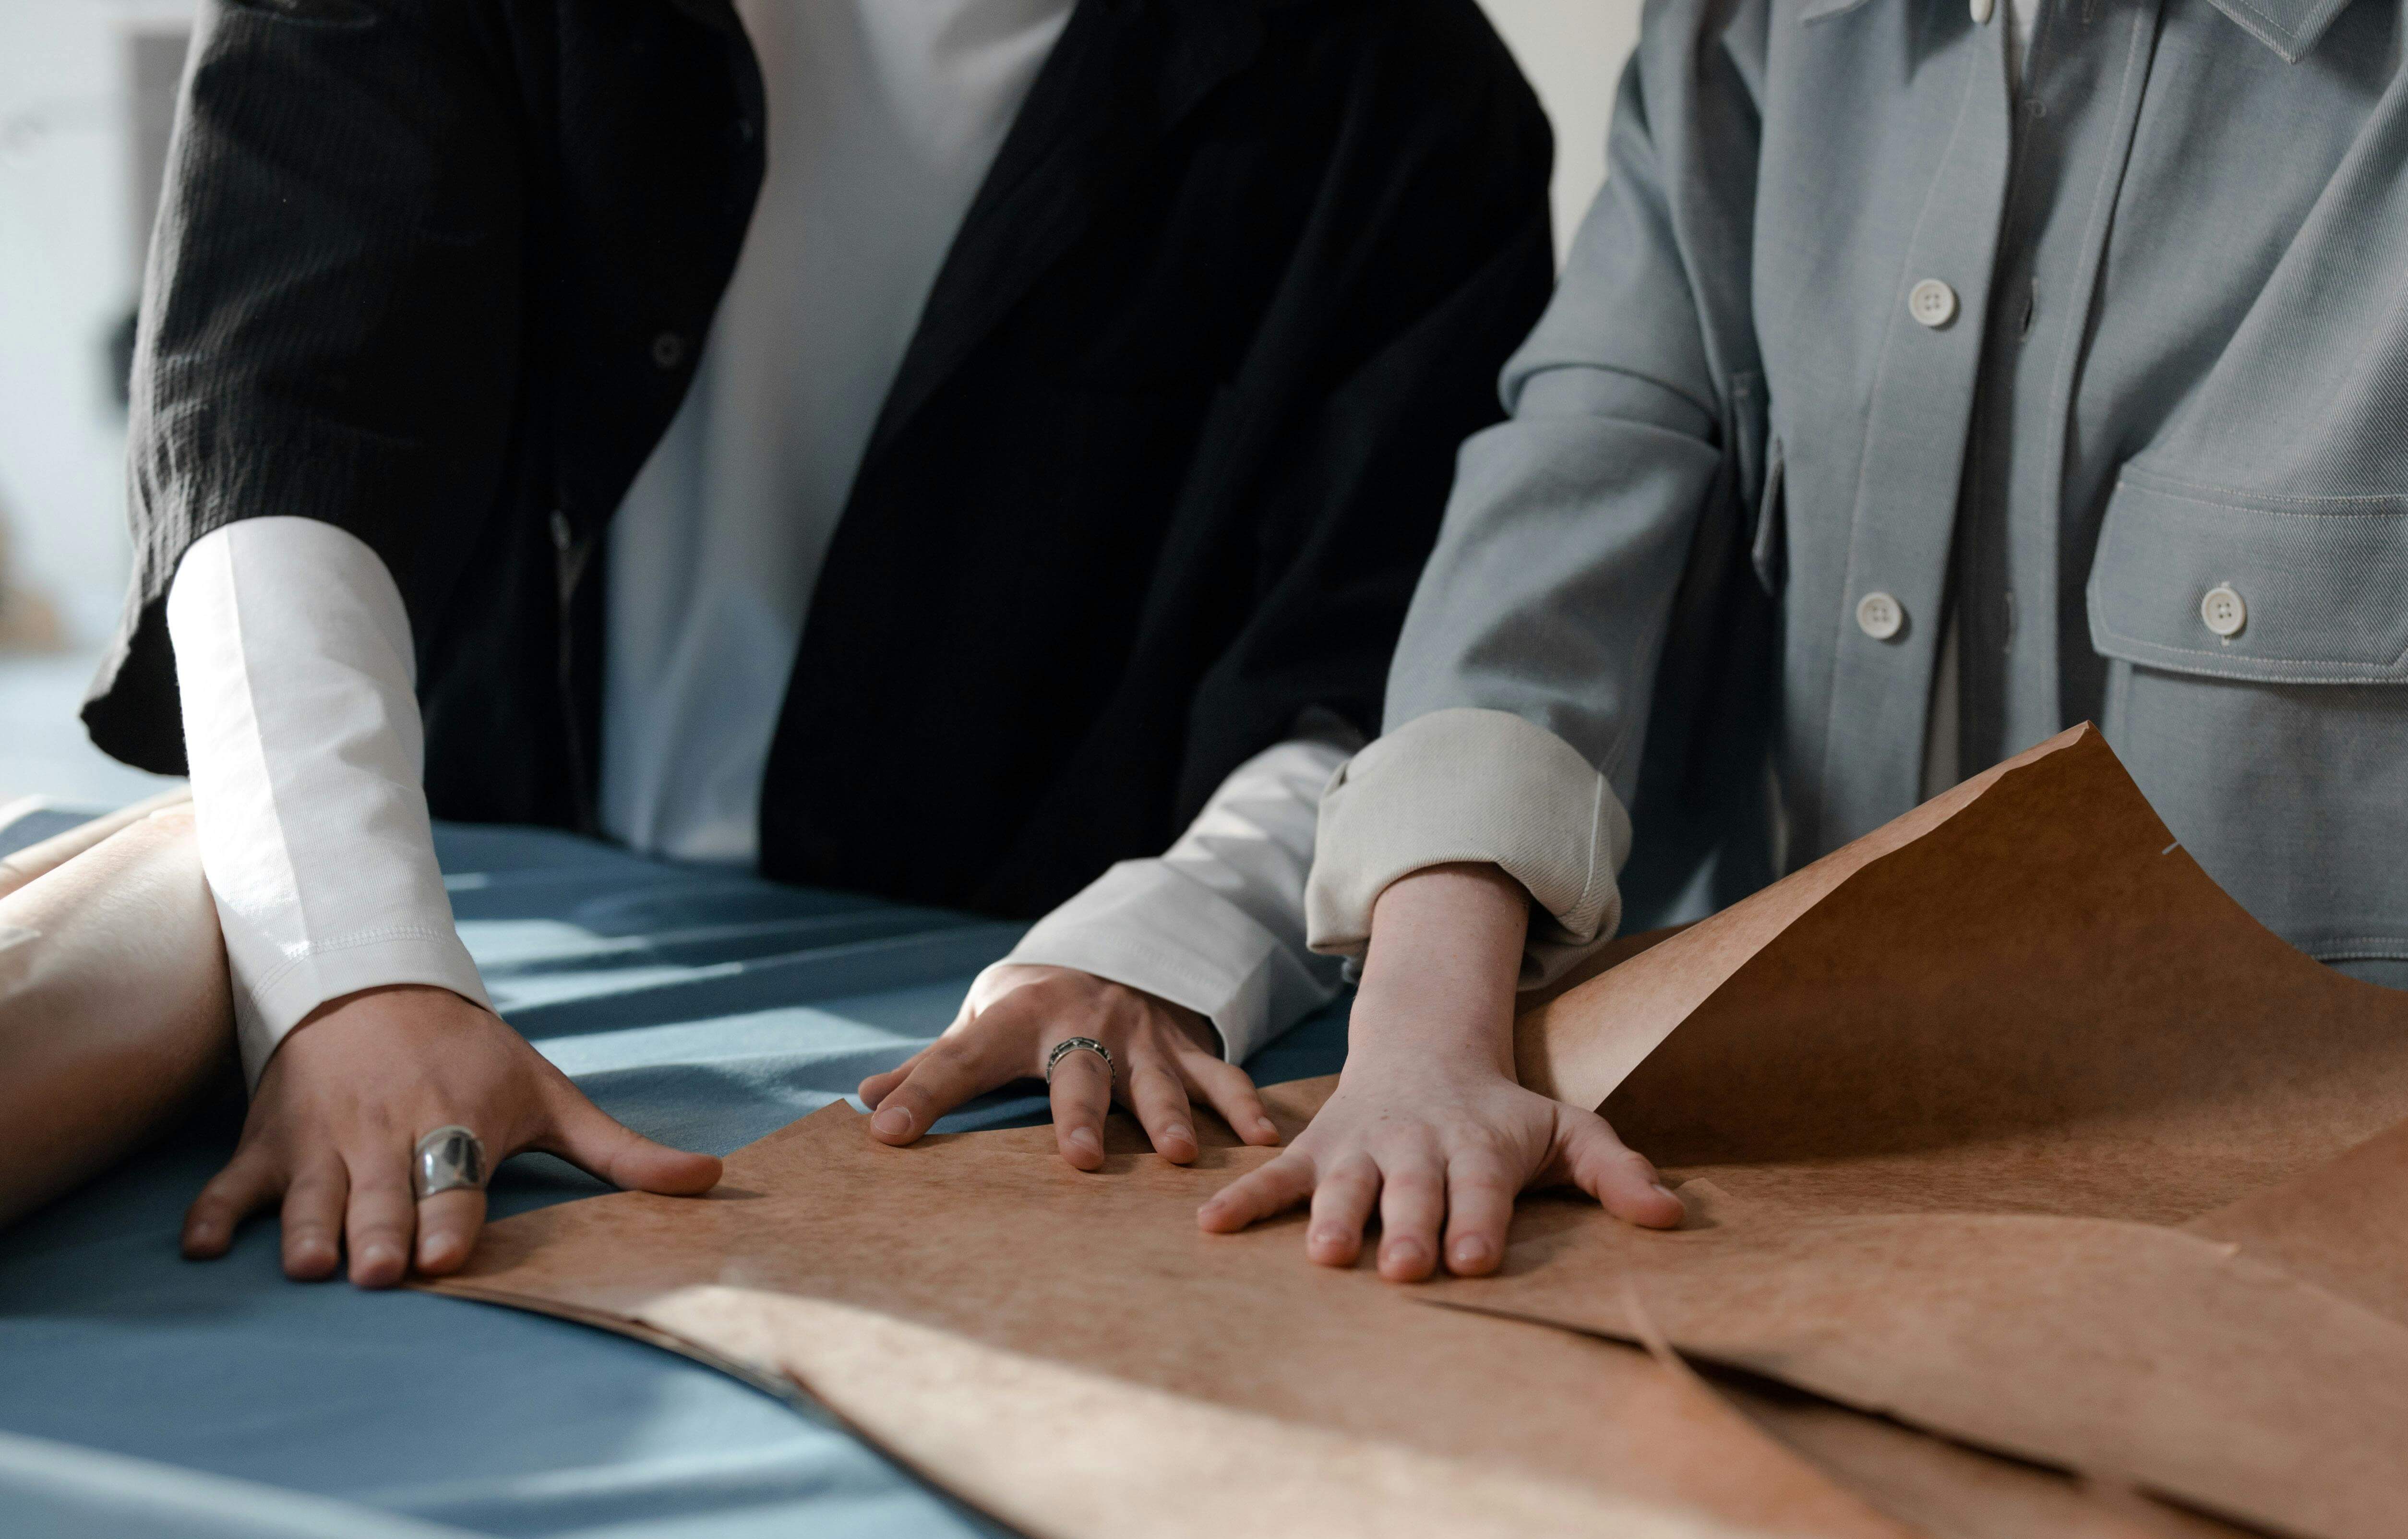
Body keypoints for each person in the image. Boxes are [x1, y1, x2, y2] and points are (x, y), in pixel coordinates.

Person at [1189, 0, 2408, 1511]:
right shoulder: (1748, 40)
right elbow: (1580, 486)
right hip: (1757, 1260)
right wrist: (1423, 1024)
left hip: (2363, 1345)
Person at [92, 0, 1550, 1288]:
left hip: (1025, 954)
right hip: (482, 858)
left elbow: (1372, 648)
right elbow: (278, 415)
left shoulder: (1405, 87)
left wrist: (1168, 943)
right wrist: (350, 964)